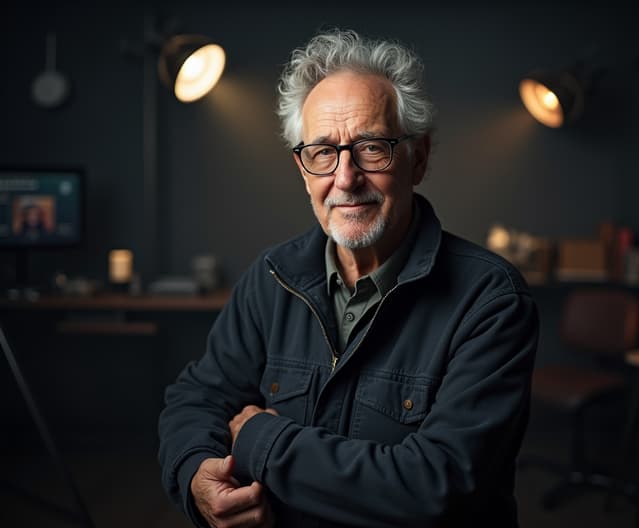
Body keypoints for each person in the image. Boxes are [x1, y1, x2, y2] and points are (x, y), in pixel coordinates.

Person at [158, 28, 539, 528]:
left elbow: (437, 485)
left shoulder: (490, 299)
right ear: (303, 169)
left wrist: (262, 441)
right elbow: (198, 398)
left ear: (418, 158)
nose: (345, 178)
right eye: (322, 152)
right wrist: (194, 475)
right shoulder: (271, 279)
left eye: (372, 148)